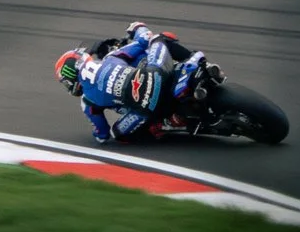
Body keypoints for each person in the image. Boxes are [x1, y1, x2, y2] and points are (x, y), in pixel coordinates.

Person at [53, 22, 221, 144]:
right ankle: (196, 61)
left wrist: (99, 133)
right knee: (158, 39)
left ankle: (166, 124)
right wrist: (137, 27)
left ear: (71, 79)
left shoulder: (87, 102)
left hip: (144, 108)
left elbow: (102, 135)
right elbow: (144, 39)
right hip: (155, 76)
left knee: (118, 134)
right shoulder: (110, 58)